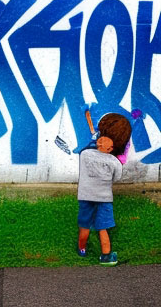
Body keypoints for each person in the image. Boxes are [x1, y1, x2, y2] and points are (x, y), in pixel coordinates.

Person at [77, 112, 131, 266]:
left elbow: (88, 151)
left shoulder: (85, 154)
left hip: (85, 195)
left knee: (85, 224)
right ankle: (106, 256)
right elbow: (117, 177)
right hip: (104, 197)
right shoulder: (114, 161)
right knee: (103, 227)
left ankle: (82, 250)